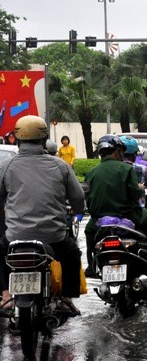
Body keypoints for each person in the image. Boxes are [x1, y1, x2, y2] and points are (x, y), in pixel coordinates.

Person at [0, 115, 85, 315]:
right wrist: (78, 210)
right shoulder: (60, 165)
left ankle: (5, 295)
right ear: (44, 138)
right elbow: (78, 196)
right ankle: (66, 299)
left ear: (18, 138)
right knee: (72, 255)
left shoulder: (6, 167)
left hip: (15, 237)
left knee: (0, 253)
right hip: (53, 237)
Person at [84, 135, 147, 276]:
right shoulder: (127, 169)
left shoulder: (91, 173)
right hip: (129, 216)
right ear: (116, 151)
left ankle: (91, 266)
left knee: (88, 230)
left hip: (99, 220)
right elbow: (135, 194)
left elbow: (88, 198)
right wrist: (141, 189)